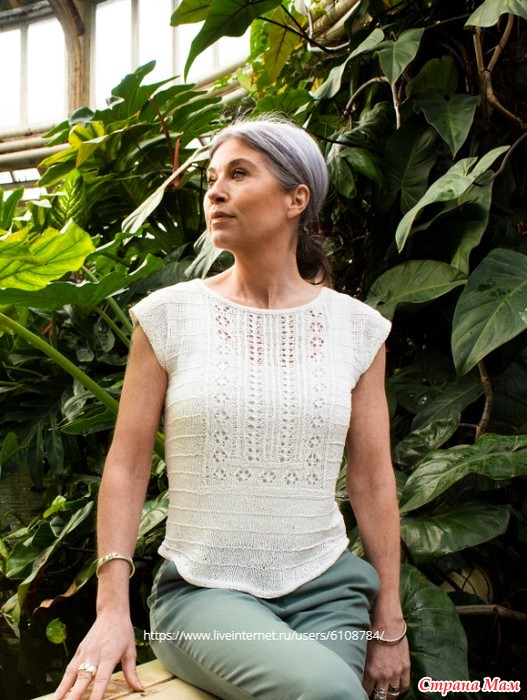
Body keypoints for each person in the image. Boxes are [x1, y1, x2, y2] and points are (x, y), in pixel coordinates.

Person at [54, 116, 410, 700]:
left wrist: (388, 619)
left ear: (297, 199)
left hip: (329, 591)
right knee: (330, 693)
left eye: (238, 174)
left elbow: (371, 477)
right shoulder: (167, 317)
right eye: (212, 178)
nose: (215, 192)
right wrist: (111, 609)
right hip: (203, 597)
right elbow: (126, 466)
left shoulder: (358, 329)